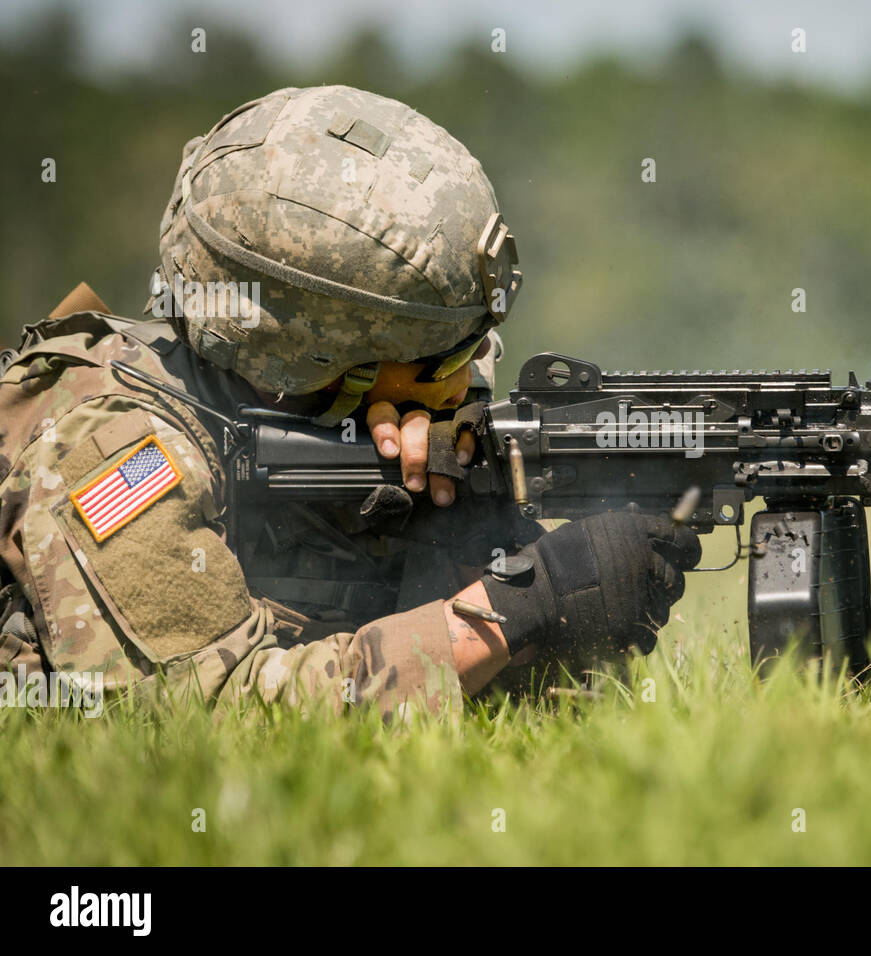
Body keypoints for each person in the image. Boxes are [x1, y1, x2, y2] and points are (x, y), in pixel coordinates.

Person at [0, 85, 700, 720]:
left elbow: (541, 728)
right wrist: (512, 608)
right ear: (319, 359)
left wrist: (472, 544)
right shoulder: (112, 450)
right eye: (446, 362)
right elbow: (199, 716)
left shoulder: (309, 415)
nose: (465, 388)